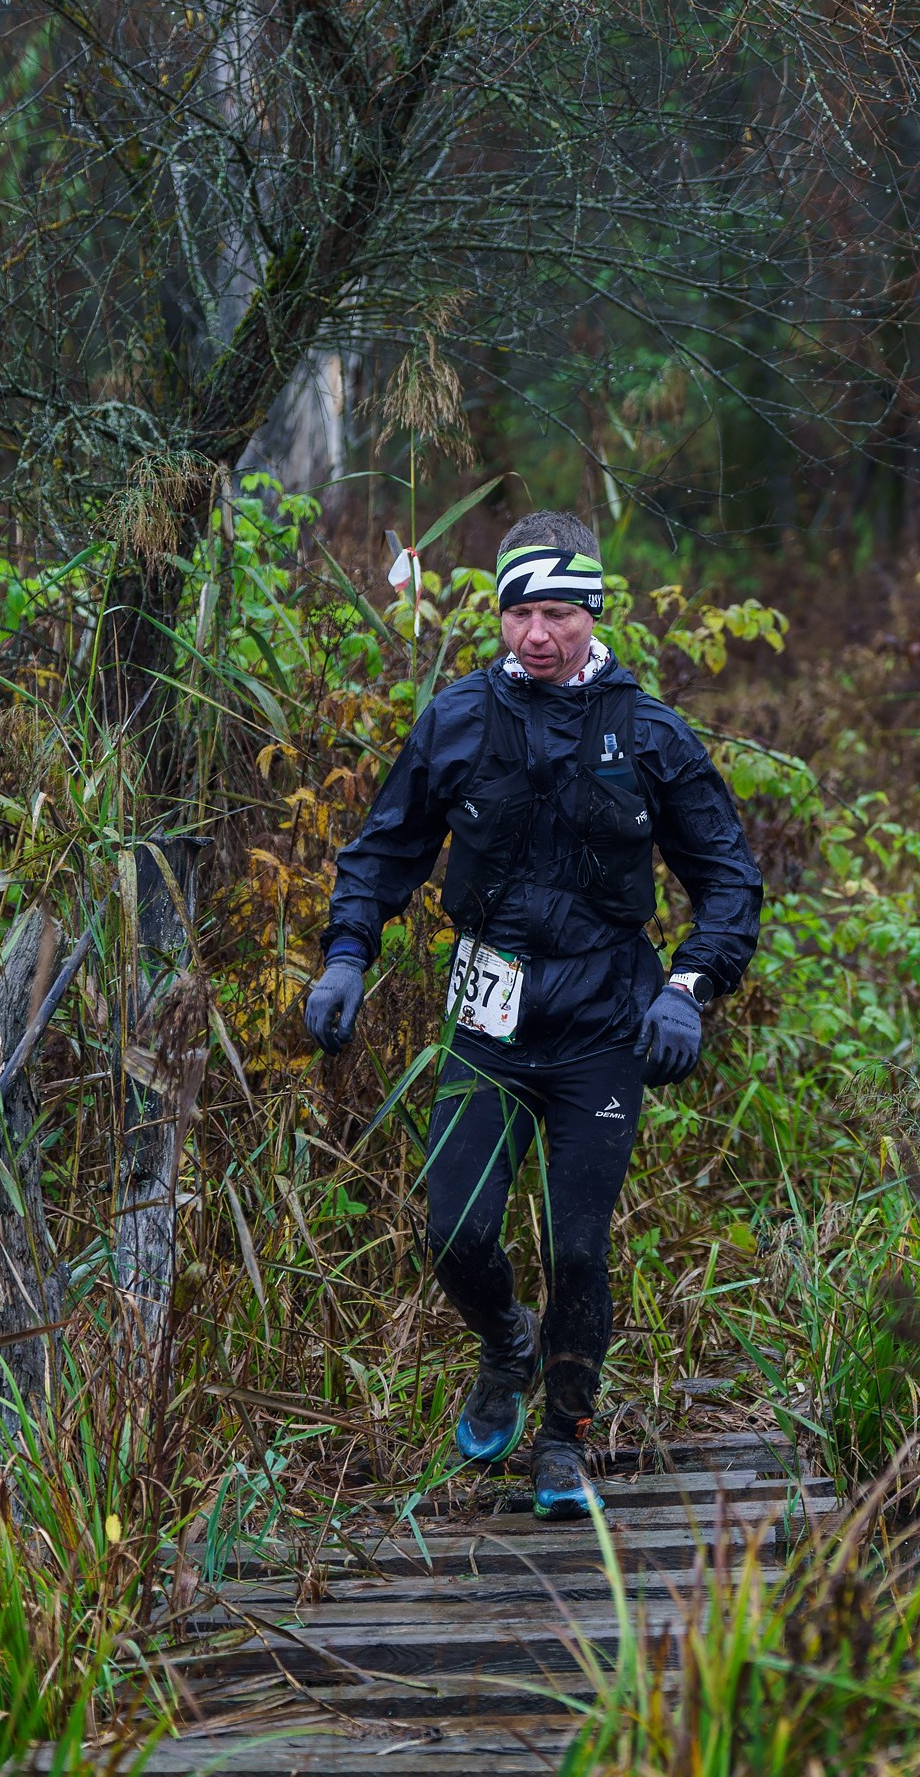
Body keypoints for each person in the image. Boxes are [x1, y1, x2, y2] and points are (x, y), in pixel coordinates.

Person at [303, 511, 762, 1514]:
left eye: (557, 612)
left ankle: (563, 1438)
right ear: (499, 613)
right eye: (519, 612)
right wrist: (346, 957)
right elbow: (385, 850)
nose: (537, 634)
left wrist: (690, 990)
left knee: (578, 1248)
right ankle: (506, 1342)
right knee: (454, 1231)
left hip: (604, 1023)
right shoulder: (459, 720)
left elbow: (727, 880)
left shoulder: (649, 736)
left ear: (592, 614)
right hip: (490, 1021)